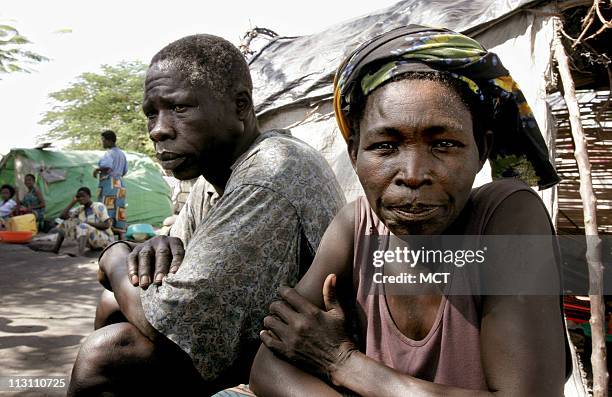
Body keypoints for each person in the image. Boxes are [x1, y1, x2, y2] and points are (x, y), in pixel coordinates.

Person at [250, 25, 568, 396]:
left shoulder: (506, 216)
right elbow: (268, 364)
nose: (414, 175)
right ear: (354, 154)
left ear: (482, 150)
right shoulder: (356, 228)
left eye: (445, 144)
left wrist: (342, 362)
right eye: (385, 146)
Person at [67, 34, 345, 396]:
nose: (158, 129)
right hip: (251, 335)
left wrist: (115, 255)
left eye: (179, 108)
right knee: (112, 303)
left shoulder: (271, 172)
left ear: (241, 106)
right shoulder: (212, 178)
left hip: (294, 364)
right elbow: (161, 273)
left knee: (105, 355)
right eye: (151, 113)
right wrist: (154, 248)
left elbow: (162, 320)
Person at [52, 187, 114, 256]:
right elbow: (62, 217)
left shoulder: (98, 206)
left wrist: (88, 224)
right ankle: (56, 249)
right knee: (64, 223)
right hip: (93, 241)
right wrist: (73, 202)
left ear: (89, 196)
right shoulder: (80, 209)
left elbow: (106, 225)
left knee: (83, 226)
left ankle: (80, 253)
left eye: (83, 196)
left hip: (105, 240)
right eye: (78, 197)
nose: (81, 198)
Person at [94, 130, 128, 238]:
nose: (102, 143)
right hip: (120, 184)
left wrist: (96, 170)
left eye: (103, 140)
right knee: (118, 209)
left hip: (110, 184)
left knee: (106, 208)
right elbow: (125, 171)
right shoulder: (121, 154)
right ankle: (121, 237)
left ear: (109, 141)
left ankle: (107, 237)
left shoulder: (109, 153)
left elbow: (107, 166)